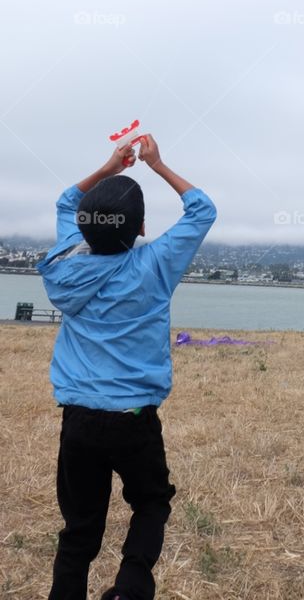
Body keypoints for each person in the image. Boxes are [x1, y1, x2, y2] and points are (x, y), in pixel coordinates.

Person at [37, 133, 217, 600]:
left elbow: (65, 202)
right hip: (133, 419)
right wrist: (156, 164)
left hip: (77, 419)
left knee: (79, 529)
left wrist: (108, 168)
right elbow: (202, 210)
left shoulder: (68, 263)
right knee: (152, 502)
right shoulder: (155, 264)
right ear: (140, 228)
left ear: (85, 227)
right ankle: (130, 587)